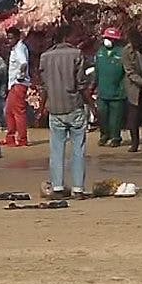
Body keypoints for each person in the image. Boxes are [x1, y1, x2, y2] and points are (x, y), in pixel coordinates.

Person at [38, 25, 96, 199]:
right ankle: (78, 189)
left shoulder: (45, 57)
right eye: (75, 36)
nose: (77, 40)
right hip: (74, 106)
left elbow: (44, 86)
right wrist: (92, 105)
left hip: (55, 108)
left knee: (56, 150)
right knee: (78, 149)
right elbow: (81, 84)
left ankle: (57, 187)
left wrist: (42, 108)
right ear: (67, 37)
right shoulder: (76, 54)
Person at [94, 27, 127, 147]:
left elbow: (127, 72)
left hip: (118, 92)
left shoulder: (122, 52)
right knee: (102, 115)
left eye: (109, 38)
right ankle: (104, 136)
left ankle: (115, 138)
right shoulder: (100, 52)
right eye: (106, 38)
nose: (107, 40)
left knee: (115, 118)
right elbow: (97, 70)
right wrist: (93, 87)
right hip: (102, 91)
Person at [2, 27, 30, 147]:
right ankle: (11, 137)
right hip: (14, 84)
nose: (9, 40)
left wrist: (20, 76)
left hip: (18, 84)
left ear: (18, 37)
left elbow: (23, 63)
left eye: (11, 38)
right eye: (8, 38)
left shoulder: (19, 48)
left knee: (18, 112)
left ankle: (22, 139)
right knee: (8, 111)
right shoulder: (15, 49)